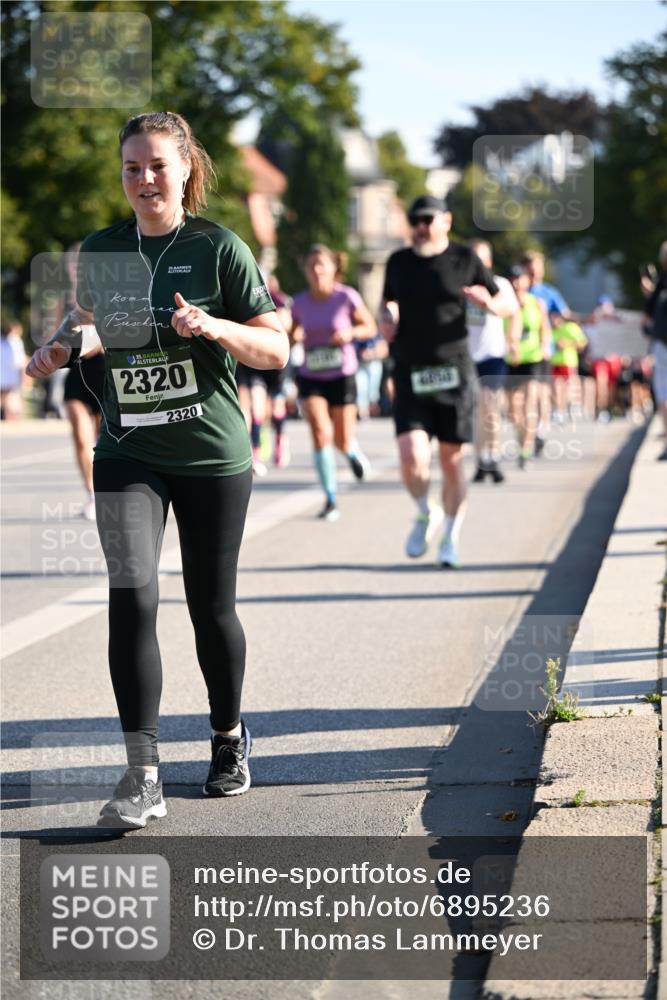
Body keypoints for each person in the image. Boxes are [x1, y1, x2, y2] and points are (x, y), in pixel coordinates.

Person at [26, 111, 289, 828]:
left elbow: (276, 349)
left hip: (210, 455)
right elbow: (92, 325)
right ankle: (143, 775)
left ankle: (228, 736)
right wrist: (61, 346)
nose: (144, 179)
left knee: (210, 608)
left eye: (157, 166)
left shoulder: (217, 247)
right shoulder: (104, 248)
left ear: (185, 170)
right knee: (132, 595)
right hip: (128, 450)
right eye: (131, 168)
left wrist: (212, 326)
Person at [381, 195, 512, 568]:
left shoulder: (464, 259)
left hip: (455, 373)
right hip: (410, 371)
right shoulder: (398, 262)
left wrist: (489, 304)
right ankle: (427, 512)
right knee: (411, 457)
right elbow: (387, 303)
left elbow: (508, 303)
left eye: (427, 219)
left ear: (446, 221)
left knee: (452, 461)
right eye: (415, 220)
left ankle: (451, 536)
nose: (420, 227)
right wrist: (386, 318)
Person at [290, 244, 376, 521]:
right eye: (311, 266)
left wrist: (350, 333)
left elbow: (370, 327)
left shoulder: (346, 297)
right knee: (320, 431)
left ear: (333, 268)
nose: (316, 270)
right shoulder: (299, 303)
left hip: (342, 374)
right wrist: (293, 336)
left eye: (321, 265)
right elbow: (289, 336)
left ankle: (352, 452)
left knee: (341, 438)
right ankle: (330, 499)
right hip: (311, 375)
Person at [467, 239, 520, 483]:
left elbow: (511, 310)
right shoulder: (459, 286)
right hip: (466, 357)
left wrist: (513, 340)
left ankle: (493, 455)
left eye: (481, 259)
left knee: (490, 406)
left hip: (492, 354)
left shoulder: (499, 284)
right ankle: (481, 459)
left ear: (488, 262)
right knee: (476, 410)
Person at [60, 243, 106, 520]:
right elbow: (57, 336)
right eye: (72, 264)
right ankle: (91, 494)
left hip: (104, 371)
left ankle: (106, 490)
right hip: (76, 371)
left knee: (103, 441)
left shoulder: (105, 296)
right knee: (80, 434)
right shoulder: (64, 299)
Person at [236, 275, 292, 474]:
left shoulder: (278, 299)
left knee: (276, 406)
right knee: (256, 404)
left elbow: (286, 325)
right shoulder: (241, 299)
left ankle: (280, 438)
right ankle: (256, 452)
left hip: (274, 361)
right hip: (253, 359)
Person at [521, 250, 570, 455]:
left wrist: (584, 319)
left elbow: (564, 314)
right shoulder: (516, 291)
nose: (534, 272)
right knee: (523, 398)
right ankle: (528, 431)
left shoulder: (549, 292)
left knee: (540, 394)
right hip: (518, 353)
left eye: (537, 268)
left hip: (542, 351)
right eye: (530, 268)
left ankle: (540, 430)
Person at [505, 266, 551, 469]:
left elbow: (545, 329)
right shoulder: (504, 303)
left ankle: (526, 450)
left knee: (529, 404)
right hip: (511, 361)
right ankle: (524, 439)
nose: (516, 283)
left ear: (527, 281)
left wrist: (544, 346)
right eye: (512, 279)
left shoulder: (536, 303)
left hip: (533, 359)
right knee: (513, 412)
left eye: (520, 278)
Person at [642, 240, 667, 458]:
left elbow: (648, 316)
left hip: (662, 342)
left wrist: (649, 292)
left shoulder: (661, 284)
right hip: (661, 343)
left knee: (663, 391)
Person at [549, 311, 587, 424]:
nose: (553, 320)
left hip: (568, 363)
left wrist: (567, 344)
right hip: (554, 363)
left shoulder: (570, 328)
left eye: (556, 317)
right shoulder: (550, 330)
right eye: (551, 318)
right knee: (555, 387)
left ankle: (571, 406)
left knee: (568, 387)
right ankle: (558, 410)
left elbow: (582, 344)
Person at [0, 320, 26, 420]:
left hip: (4, 376)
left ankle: (8, 417)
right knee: (10, 399)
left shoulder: (2, 341)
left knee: (5, 398)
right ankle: (11, 418)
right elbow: (18, 361)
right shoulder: (16, 341)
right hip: (11, 376)